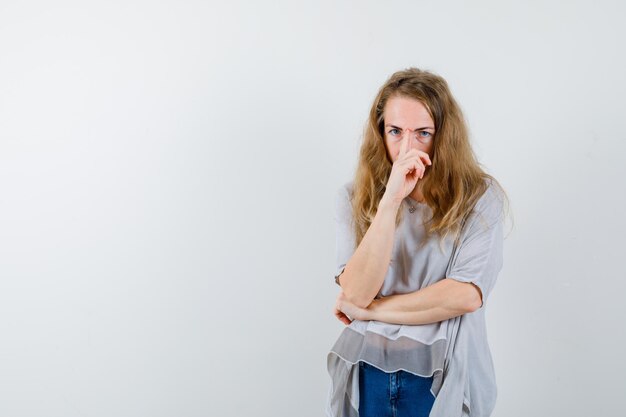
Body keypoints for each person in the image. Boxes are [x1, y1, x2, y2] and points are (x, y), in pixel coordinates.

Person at [326, 67, 511, 417]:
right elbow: (356, 291)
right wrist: (391, 201)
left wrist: (369, 311)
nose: (407, 147)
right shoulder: (353, 197)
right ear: (380, 133)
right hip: (370, 373)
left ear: (443, 136)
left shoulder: (479, 197)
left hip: (442, 376)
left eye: (423, 133)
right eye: (395, 131)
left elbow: (465, 295)